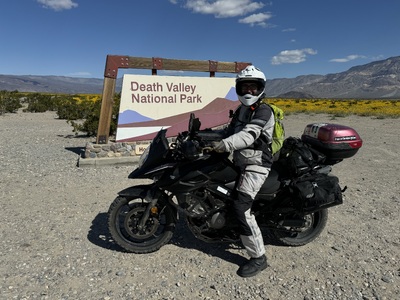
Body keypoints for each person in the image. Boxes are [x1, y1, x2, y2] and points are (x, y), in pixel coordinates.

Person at [212, 65, 274, 277]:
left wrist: (223, 146)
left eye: (253, 88)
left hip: (256, 166)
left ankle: (259, 257)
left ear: (261, 89)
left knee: (241, 206)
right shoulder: (242, 110)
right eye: (245, 87)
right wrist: (203, 135)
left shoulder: (264, 110)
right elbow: (229, 132)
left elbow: (248, 136)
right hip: (241, 162)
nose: (249, 92)